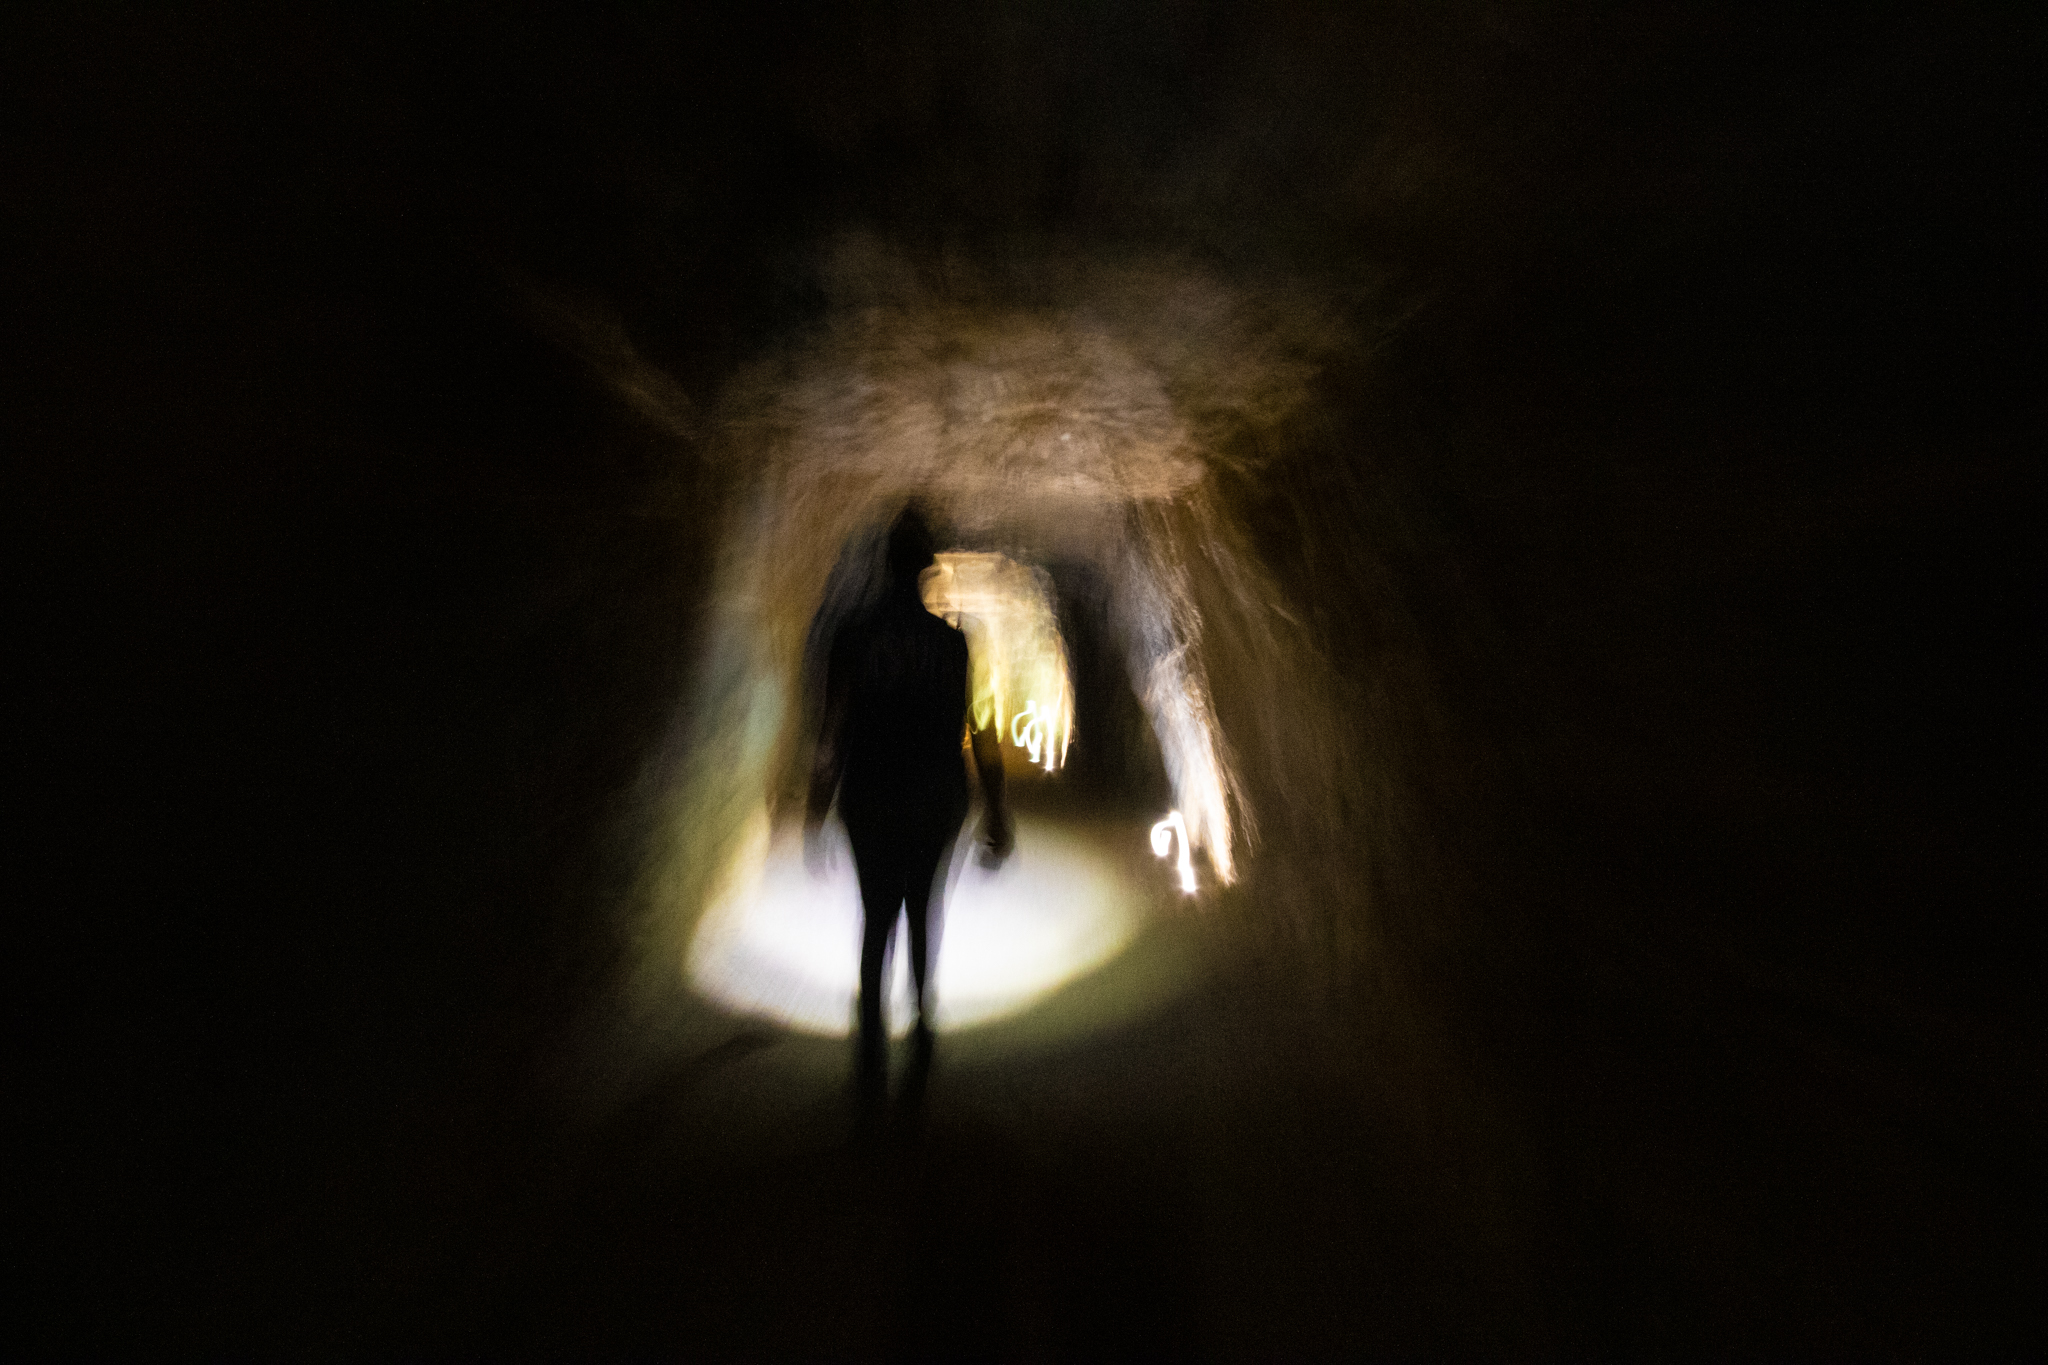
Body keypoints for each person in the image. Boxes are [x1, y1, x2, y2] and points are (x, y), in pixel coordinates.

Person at [805, 505, 1013, 1100]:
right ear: (926, 570)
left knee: (876, 921)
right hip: (934, 797)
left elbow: (831, 732)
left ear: (884, 565)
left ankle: (870, 1057)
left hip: (869, 796)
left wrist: (816, 807)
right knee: (924, 913)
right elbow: (980, 728)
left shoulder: (850, 636)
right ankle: (921, 1037)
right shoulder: (952, 644)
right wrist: (996, 809)